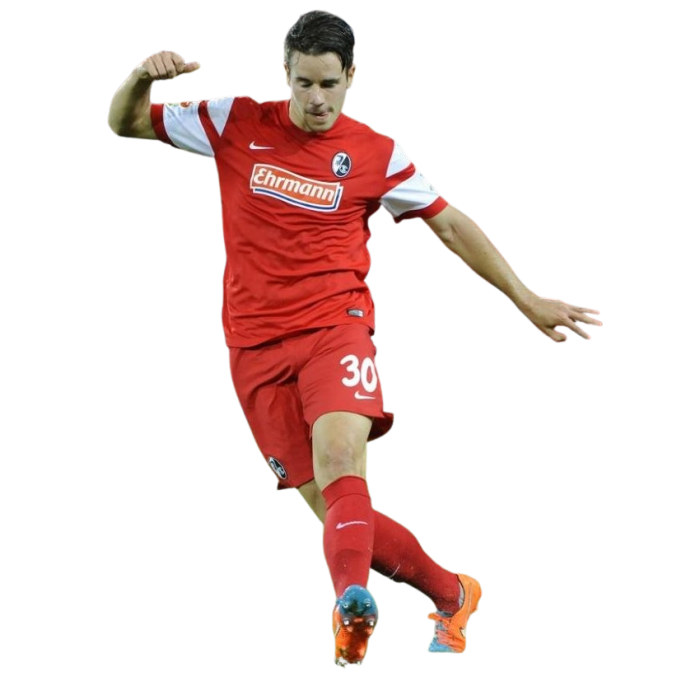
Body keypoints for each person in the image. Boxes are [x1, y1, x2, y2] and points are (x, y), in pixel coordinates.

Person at [107, 10, 603, 667]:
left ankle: (349, 607)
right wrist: (141, 78)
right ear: (285, 73)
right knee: (340, 515)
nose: (316, 99)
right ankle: (454, 595)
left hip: (334, 332)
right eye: (304, 83)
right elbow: (125, 123)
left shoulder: (377, 152)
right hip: (252, 350)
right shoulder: (235, 120)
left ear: (352, 78)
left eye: (329, 84)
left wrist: (525, 296)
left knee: (343, 462)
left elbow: (450, 224)